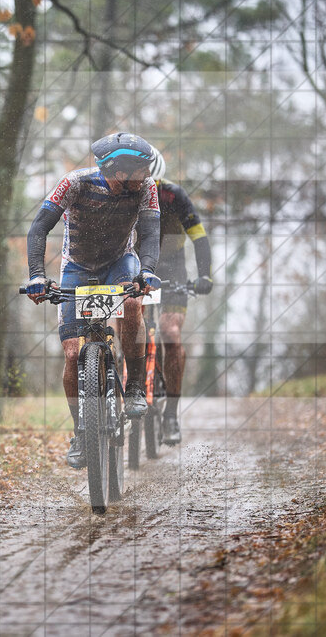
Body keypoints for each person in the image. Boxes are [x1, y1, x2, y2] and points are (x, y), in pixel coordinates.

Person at [23, 132, 162, 470]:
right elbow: (39, 228)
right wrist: (37, 276)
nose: (146, 175)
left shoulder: (146, 189)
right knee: (72, 353)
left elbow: (150, 233)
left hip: (120, 262)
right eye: (141, 169)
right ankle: (80, 433)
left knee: (132, 303)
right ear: (119, 171)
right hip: (77, 267)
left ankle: (132, 388)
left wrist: (147, 272)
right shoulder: (75, 183)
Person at [145, 145, 213, 445]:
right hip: (136, 268)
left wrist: (204, 274)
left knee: (169, 333)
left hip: (172, 271)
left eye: (152, 184)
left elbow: (198, 237)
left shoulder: (174, 196)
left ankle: (170, 413)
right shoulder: (123, 196)